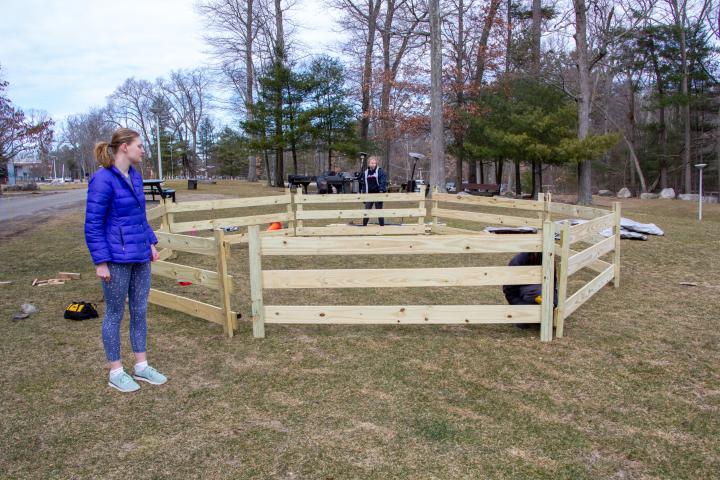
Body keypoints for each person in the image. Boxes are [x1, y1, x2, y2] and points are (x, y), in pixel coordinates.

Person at [84, 128, 167, 393]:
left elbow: (140, 217)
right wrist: (100, 261)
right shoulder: (102, 180)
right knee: (115, 313)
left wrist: (151, 243)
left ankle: (141, 367)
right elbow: (93, 224)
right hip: (116, 260)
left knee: (140, 310)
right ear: (124, 148)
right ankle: (116, 371)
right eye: (139, 145)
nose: (143, 150)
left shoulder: (135, 176)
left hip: (140, 255)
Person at [502, 252, 557, 329]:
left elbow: (552, 286)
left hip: (539, 293)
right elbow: (510, 291)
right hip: (523, 294)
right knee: (538, 291)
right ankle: (527, 315)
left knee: (549, 297)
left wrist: (554, 303)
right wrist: (522, 308)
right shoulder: (518, 261)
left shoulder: (549, 259)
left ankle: (540, 315)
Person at [359, 156, 388, 226]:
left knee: (379, 211)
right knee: (367, 211)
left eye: (374, 163)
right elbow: (364, 185)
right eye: (371, 163)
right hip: (369, 194)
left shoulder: (380, 171)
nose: (373, 164)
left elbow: (382, 181)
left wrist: (381, 190)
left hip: (378, 193)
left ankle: (382, 226)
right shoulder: (366, 172)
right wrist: (364, 196)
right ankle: (364, 226)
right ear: (369, 164)